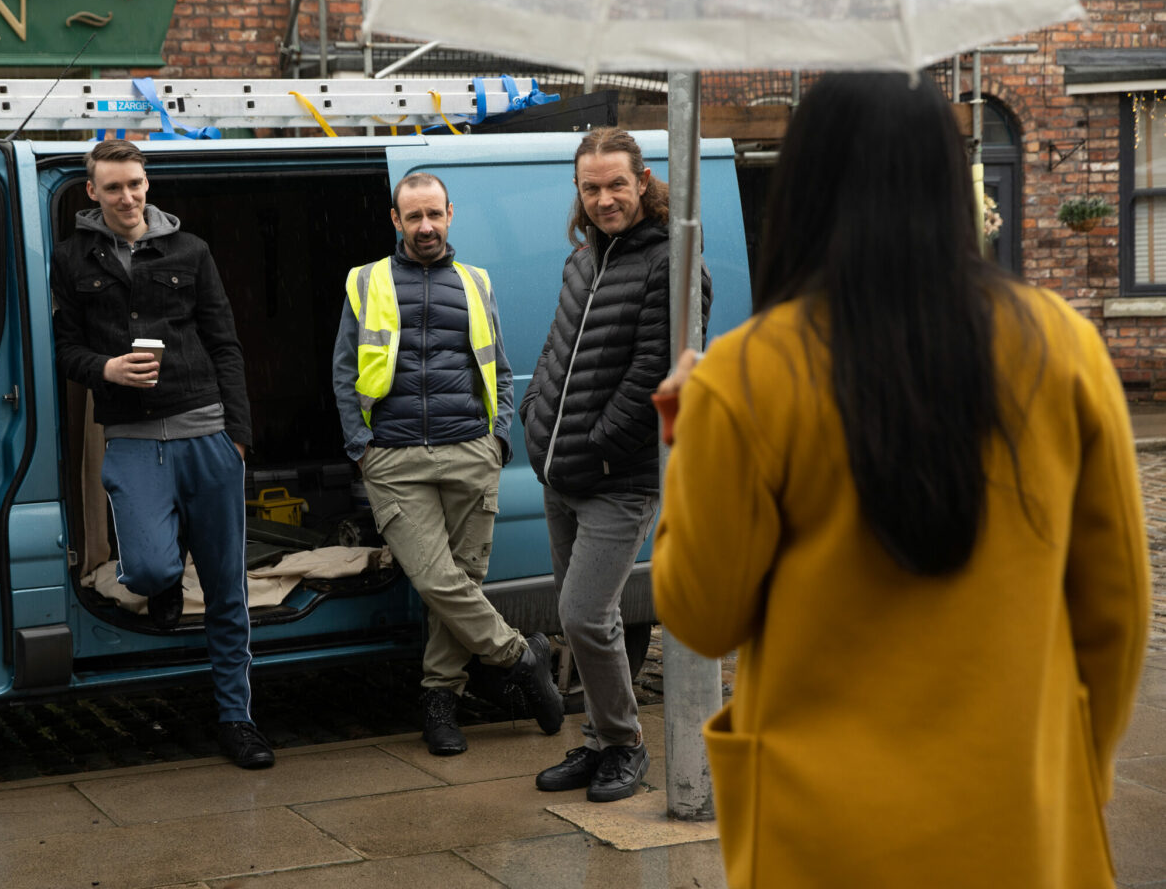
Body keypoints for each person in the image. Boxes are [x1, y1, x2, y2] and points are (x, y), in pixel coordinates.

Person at [651, 72, 1149, 888]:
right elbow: (1116, 612)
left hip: (821, 840)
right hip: (1019, 825)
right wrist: (1070, 775)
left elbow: (703, 615)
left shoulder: (747, 374)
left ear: (803, 191)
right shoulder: (1064, 346)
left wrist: (692, 429)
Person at [50, 138, 274, 770]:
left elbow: (225, 343)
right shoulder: (71, 259)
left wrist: (238, 437)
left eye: (137, 184)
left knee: (227, 589)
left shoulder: (190, 250)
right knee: (146, 570)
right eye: (114, 187)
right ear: (91, 192)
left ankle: (238, 718)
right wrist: (107, 370)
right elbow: (65, 351)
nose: (128, 197)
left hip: (206, 431)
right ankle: (166, 575)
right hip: (133, 439)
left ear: (149, 185)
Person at [332, 171, 565, 756]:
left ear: (451, 213)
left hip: (470, 451)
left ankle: (441, 702)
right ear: (396, 220)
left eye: (434, 214)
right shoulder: (366, 281)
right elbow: (342, 371)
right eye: (414, 217)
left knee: (460, 582)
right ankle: (521, 656)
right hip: (395, 456)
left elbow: (499, 363)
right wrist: (361, 446)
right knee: (435, 577)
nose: (426, 226)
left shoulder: (475, 280)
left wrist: (497, 441)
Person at [521, 127, 710, 802]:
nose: (604, 198)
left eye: (616, 185)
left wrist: (595, 447)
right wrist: (535, 415)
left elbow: (656, 378)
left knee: (582, 613)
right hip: (559, 471)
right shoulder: (582, 260)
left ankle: (626, 746)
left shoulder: (672, 264)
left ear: (643, 182)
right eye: (591, 187)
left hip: (617, 479)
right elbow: (555, 348)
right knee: (580, 621)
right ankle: (600, 742)